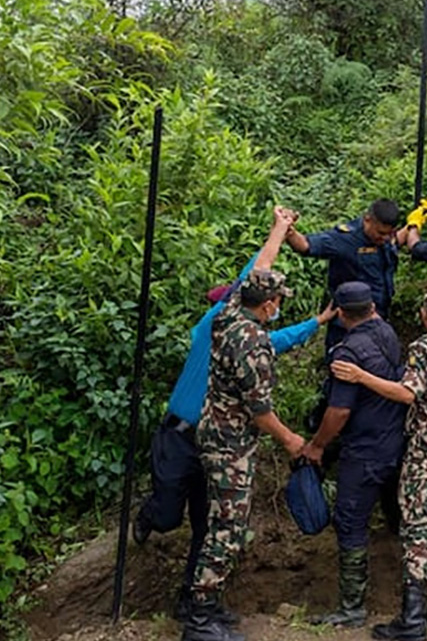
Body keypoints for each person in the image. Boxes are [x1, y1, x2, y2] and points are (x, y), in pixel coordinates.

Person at [134, 236, 324, 623]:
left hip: (208, 441)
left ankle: (194, 601)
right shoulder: (214, 325)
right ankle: (150, 515)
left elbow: (274, 333)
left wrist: (317, 322)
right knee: (172, 515)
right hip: (180, 436)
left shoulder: (238, 329)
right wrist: (290, 439)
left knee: (208, 526)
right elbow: (252, 280)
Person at [184, 210, 306, 641]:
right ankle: (199, 619)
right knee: (228, 528)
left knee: (220, 520)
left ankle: (209, 608)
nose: (279, 307)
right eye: (278, 302)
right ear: (269, 305)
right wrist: (292, 440)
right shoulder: (252, 343)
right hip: (231, 443)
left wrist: (278, 228)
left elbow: (260, 268)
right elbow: (260, 412)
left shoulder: (229, 313)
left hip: (212, 430)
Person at [330, 290, 427, 640]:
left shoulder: (424, 348)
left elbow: (407, 393)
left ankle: (412, 621)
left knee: (417, 533)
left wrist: (361, 376)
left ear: (424, 314)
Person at [302, 282, 407, 630]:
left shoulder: (348, 353)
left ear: (342, 313)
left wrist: (317, 445)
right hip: (395, 443)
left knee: (349, 521)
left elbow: (339, 412)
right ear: (372, 307)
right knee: (398, 517)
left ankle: (352, 607)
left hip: (364, 450)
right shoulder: (388, 334)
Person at [285, 199, 399, 350]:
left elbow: (395, 244)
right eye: (381, 233)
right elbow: (306, 245)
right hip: (347, 325)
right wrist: (288, 230)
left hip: (378, 318)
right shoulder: (345, 239)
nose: (385, 238)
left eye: (389, 234)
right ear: (368, 220)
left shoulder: (383, 240)